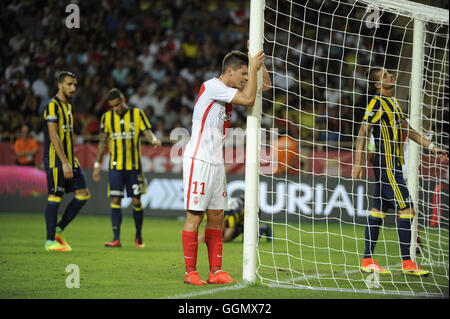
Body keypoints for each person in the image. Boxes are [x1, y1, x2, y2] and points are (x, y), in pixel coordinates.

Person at [181, 48, 271, 285]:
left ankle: (215, 271)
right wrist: (252, 67)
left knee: (217, 216)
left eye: (246, 74)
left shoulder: (229, 89)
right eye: (242, 74)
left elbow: (265, 87)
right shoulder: (212, 86)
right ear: (229, 72)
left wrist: (257, 61)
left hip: (216, 162)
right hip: (199, 159)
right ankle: (190, 271)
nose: (245, 79)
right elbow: (250, 98)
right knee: (195, 216)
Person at [352, 66, 448, 276]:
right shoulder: (376, 102)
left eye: (390, 73)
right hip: (386, 165)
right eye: (385, 75)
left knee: (378, 211)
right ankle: (408, 263)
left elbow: (408, 129)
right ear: (378, 85)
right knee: (407, 209)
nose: (391, 76)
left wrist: (431, 147)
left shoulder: (393, 103)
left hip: (391, 165)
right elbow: (362, 131)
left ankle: (367, 260)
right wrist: (357, 162)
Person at [93, 88, 161, 248]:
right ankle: (116, 238)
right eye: (113, 106)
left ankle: (138, 236)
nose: (116, 108)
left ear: (123, 100)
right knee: (115, 199)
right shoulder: (107, 117)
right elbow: (103, 142)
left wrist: (154, 140)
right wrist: (97, 165)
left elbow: (147, 131)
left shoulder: (137, 114)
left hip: (134, 167)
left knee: (136, 201)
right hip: (116, 167)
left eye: (118, 104)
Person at [42, 71, 90, 251]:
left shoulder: (68, 107)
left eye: (75, 85)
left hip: (71, 159)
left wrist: (70, 160)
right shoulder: (51, 106)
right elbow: (54, 136)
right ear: (59, 85)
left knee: (83, 193)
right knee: (55, 196)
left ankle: (59, 229)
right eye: (69, 84)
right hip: (57, 160)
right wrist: (64, 161)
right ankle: (49, 241)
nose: (73, 88)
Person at [198, 196, 272, 243]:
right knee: (219, 234)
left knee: (248, 240)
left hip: (251, 209)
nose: (216, 227)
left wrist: (212, 241)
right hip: (239, 209)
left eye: (218, 225)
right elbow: (208, 234)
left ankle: (265, 228)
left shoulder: (230, 217)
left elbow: (227, 238)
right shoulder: (208, 216)